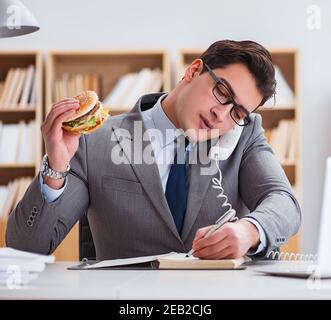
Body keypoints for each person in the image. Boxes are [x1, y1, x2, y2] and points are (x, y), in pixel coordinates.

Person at [6, 40, 301, 260]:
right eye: (222, 92)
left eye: (237, 112)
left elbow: (284, 202)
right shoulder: (95, 139)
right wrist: (55, 169)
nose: (221, 116)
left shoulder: (244, 137)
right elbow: (25, 248)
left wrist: (250, 230)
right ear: (193, 70)